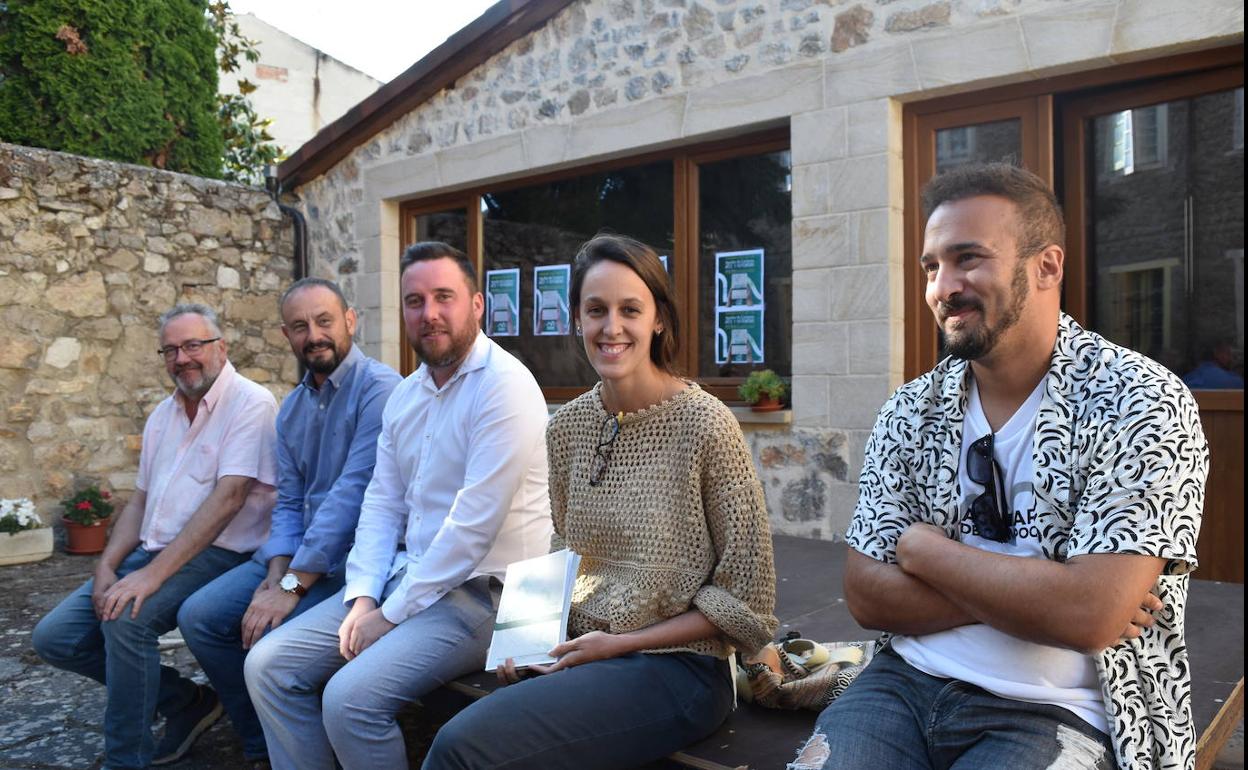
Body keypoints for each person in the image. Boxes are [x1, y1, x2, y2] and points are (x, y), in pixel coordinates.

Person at [791, 164, 1208, 770]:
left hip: (1062, 710)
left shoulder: (1141, 401)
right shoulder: (911, 410)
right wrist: (1048, 584)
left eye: (968, 258)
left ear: (1047, 266)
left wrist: (923, 553)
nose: (943, 286)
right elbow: (867, 596)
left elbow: (1089, 617)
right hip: (902, 684)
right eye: (932, 267)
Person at [424, 234, 779, 770]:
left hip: (680, 669)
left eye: (629, 309)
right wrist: (534, 642)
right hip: (588, 653)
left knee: (459, 748)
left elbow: (746, 601)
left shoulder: (706, 425)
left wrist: (615, 646)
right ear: (576, 321)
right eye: (596, 310)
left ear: (658, 319)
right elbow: (562, 551)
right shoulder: (565, 427)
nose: (611, 327)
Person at [243, 242, 552, 770]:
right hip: (407, 579)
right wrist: (363, 596)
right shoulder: (408, 396)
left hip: (493, 594)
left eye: (443, 297)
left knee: (350, 700)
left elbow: (470, 531)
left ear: (476, 305)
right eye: (414, 300)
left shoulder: (506, 387)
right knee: (267, 664)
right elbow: (380, 505)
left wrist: (388, 613)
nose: (429, 313)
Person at [32, 304, 278, 770]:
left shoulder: (252, 403)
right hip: (154, 550)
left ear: (220, 347)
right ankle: (188, 702)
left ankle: (126, 759)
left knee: (126, 619)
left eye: (193, 346)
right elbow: (141, 501)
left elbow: (228, 500)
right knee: (55, 638)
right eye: (171, 350)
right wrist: (105, 565)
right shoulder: (163, 414)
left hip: (221, 553)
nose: (182, 358)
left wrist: (148, 578)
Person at [176, 278, 400, 763]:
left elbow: (351, 498)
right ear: (286, 335)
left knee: (270, 641)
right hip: (298, 558)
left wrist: (292, 586)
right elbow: (290, 500)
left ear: (350, 321)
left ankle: (298, 741)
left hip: (353, 564)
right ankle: (260, 739)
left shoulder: (381, 391)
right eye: (300, 326)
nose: (313, 335)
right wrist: (277, 573)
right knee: (200, 616)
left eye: (324, 321)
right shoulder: (293, 407)